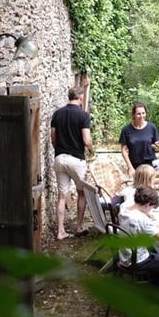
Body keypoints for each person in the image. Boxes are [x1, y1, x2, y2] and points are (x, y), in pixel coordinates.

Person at [50, 86, 94, 240]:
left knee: (62, 196)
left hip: (60, 158)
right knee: (81, 193)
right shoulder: (83, 115)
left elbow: (53, 138)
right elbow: (86, 140)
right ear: (81, 97)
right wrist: (91, 149)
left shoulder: (57, 114)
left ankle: (60, 231)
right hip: (76, 159)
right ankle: (79, 226)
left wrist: (60, 149)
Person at [119, 102, 159, 177]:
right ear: (133, 115)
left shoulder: (151, 127)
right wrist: (130, 167)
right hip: (135, 166)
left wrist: (157, 145)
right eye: (138, 114)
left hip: (150, 165)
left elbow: (157, 143)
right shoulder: (126, 130)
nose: (141, 116)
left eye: (143, 113)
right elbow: (123, 150)